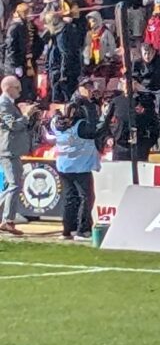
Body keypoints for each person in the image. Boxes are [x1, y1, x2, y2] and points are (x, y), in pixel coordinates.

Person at [39, 100, 98, 241]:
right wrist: (90, 107)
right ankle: (82, 230)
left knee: (69, 197)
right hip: (80, 166)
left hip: (64, 166)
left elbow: (49, 132)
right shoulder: (81, 125)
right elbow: (95, 129)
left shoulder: (56, 124)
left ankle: (67, 230)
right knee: (86, 197)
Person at [0, 74, 38, 234]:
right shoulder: (3, 104)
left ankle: (6, 218)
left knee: (11, 185)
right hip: (9, 150)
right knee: (14, 184)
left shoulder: (9, 104)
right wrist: (26, 115)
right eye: (17, 88)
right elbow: (13, 125)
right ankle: (7, 220)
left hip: (12, 150)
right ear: (8, 88)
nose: (20, 91)